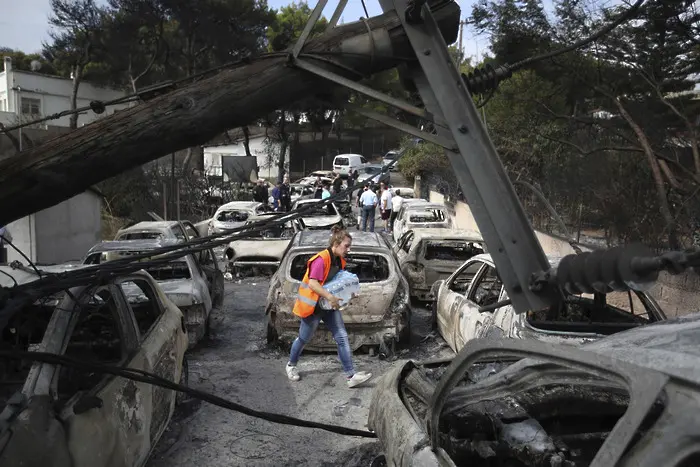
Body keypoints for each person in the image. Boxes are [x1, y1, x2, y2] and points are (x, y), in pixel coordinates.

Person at [286, 226, 372, 388]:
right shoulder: (321, 259)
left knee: (341, 337)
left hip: (327, 305)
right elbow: (312, 283)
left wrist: (350, 292)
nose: (349, 249)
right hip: (313, 307)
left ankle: (351, 375)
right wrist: (330, 297)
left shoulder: (338, 260)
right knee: (304, 338)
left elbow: (336, 283)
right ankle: (291, 365)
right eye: (346, 245)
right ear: (336, 243)